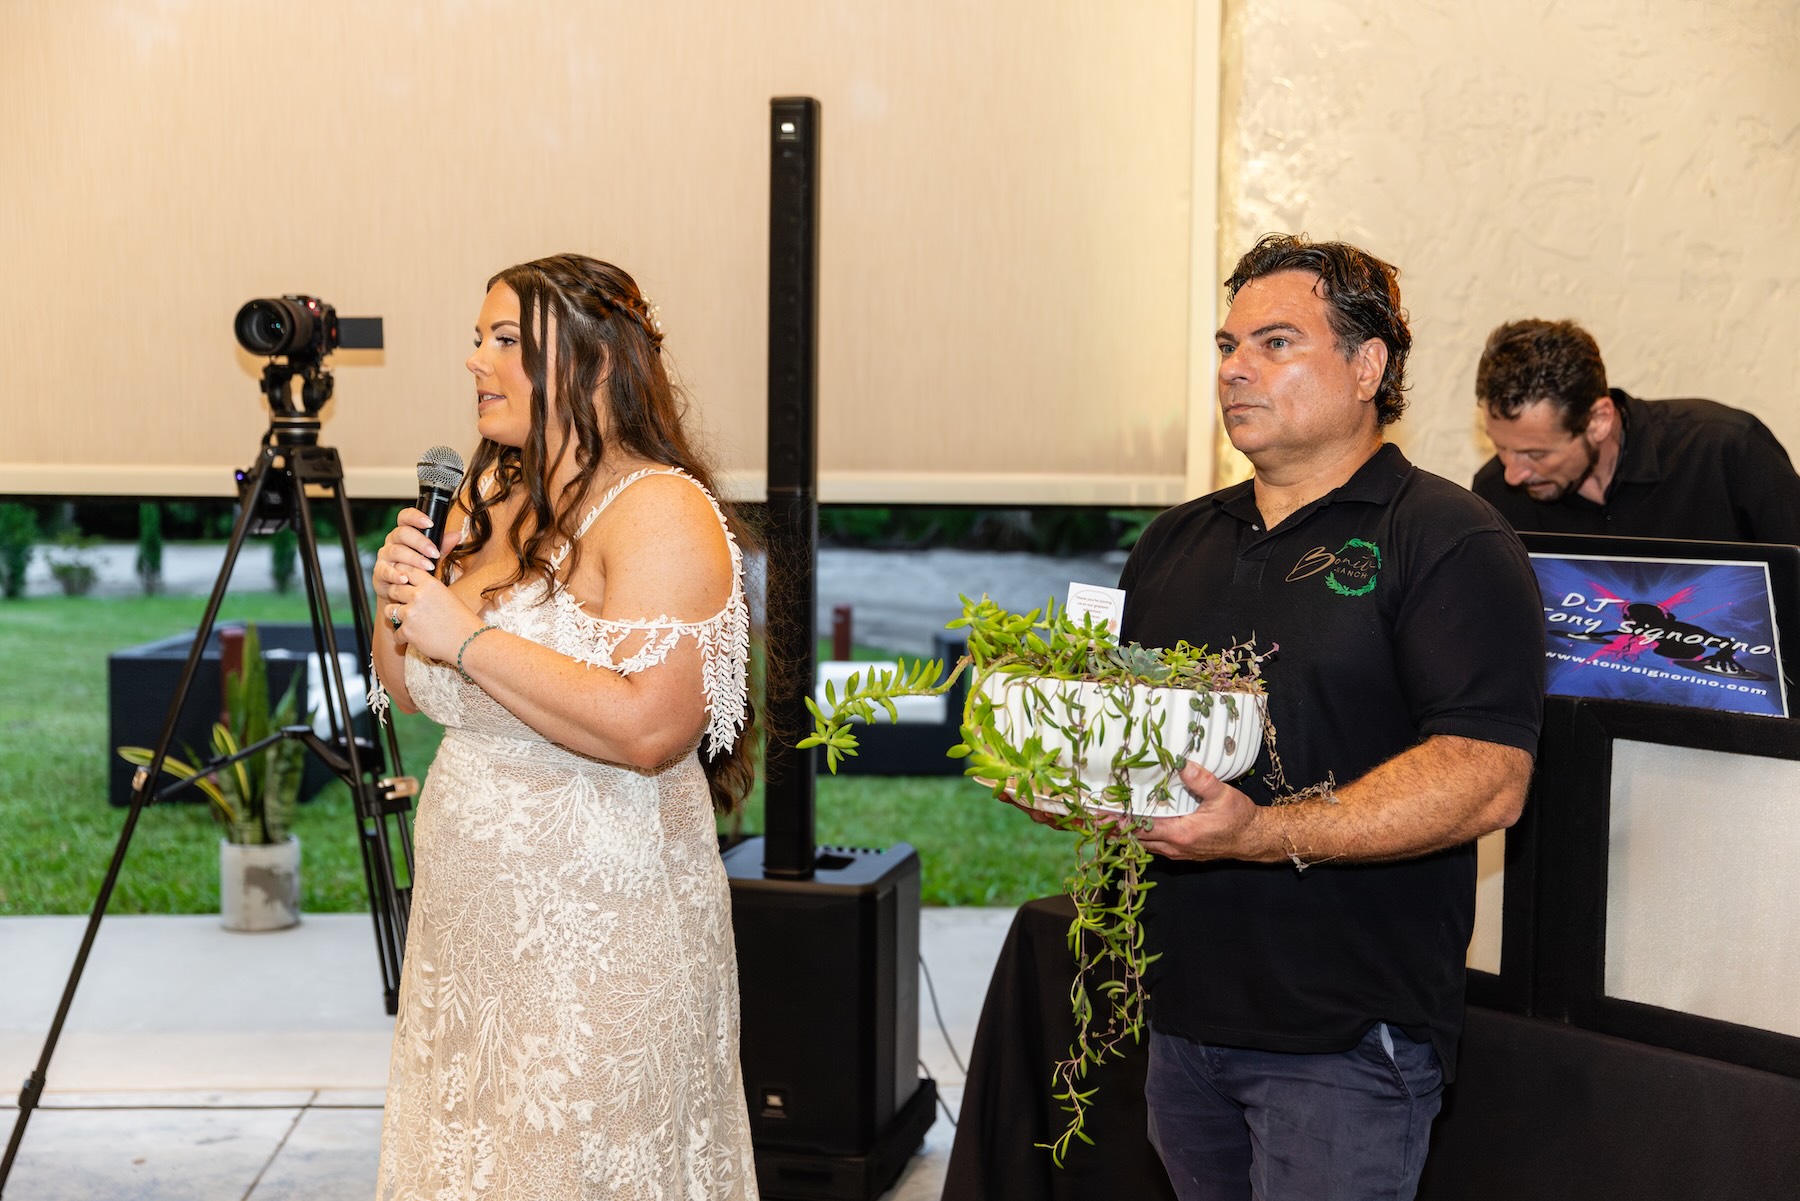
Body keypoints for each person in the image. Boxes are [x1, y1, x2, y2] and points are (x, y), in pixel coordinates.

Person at [1117, 234, 1545, 1200]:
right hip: (1183, 1023)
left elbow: (1488, 774)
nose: (1234, 368)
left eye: (1275, 343)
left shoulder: (1446, 538)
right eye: (1228, 345)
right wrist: (1076, 783)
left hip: (1348, 1040)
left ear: (1368, 365)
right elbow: (1136, 742)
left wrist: (1263, 834)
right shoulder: (1173, 541)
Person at [368, 254, 759, 1200]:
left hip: (601, 931)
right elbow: (413, 693)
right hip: (471, 927)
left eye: (505, 339)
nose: (475, 361)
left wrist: (463, 637)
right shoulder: (485, 494)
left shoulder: (661, 511)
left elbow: (649, 728)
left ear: (589, 364)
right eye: (476, 338)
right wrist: (394, 604)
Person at [1471, 318, 1800, 543]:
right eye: (1501, 448)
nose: (1513, 474)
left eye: (1536, 453)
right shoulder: (1495, 495)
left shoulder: (1726, 450)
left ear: (1598, 420)